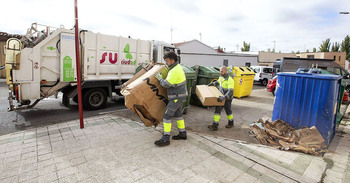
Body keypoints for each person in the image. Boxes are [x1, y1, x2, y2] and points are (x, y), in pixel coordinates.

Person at [153, 52, 188, 146]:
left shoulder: (174, 71)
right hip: (179, 96)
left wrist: (160, 79)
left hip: (176, 97)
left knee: (166, 116)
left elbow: (166, 84)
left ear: (173, 61)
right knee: (179, 115)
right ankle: (182, 133)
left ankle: (165, 139)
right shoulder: (176, 67)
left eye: (167, 61)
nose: (166, 63)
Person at [207, 66, 234, 131]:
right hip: (221, 97)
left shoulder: (230, 80)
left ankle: (231, 123)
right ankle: (215, 125)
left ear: (225, 71)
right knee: (217, 111)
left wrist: (224, 97)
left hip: (227, 98)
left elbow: (230, 91)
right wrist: (211, 84)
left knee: (228, 111)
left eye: (222, 71)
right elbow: (217, 82)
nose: (220, 72)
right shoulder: (221, 77)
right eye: (220, 71)